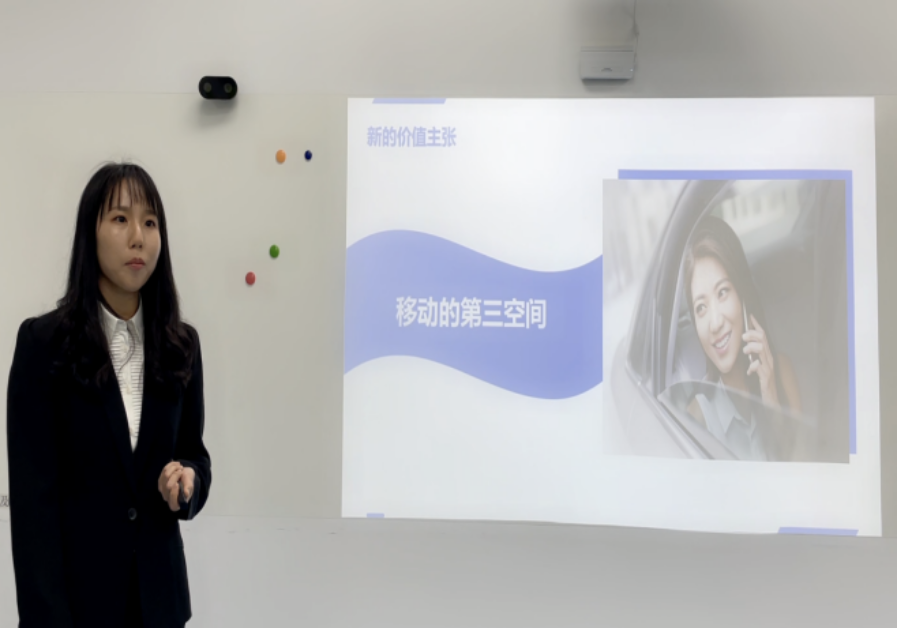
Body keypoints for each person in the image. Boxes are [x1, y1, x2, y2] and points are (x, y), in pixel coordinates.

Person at [6, 163, 211, 628]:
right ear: (90, 233)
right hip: (76, 609)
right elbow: (33, 505)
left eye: (150, 222)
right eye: (120, 219)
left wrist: (188, 484)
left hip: (160, 606)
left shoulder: (182, 345)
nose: (138, 237)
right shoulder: (44, 344)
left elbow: (194, 454)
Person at [683, 216, 801, 461]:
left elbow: (802, 474)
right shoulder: (696, 418)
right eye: (701, 308)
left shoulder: (783, 372)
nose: (715, 323)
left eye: (723, 292)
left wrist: (772, 400)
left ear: (742, 294)